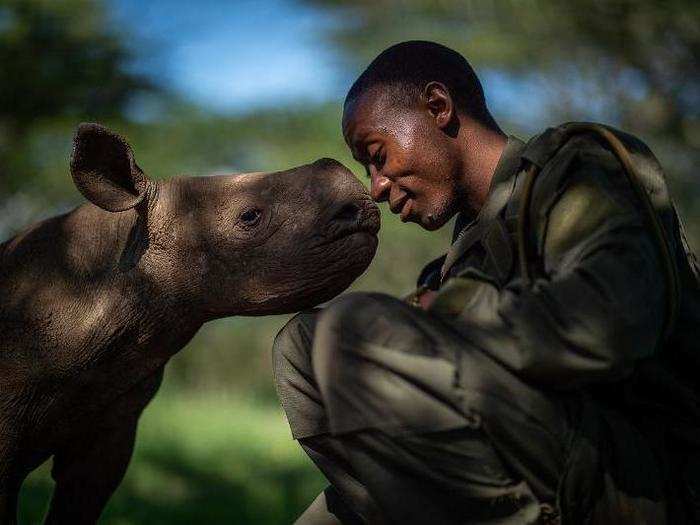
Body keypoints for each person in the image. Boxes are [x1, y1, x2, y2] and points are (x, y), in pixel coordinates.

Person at [272, 41, 700, 524]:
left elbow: (612, 323)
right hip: (535, 466)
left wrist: (452, 312)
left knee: (352, 330)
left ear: (438, 107)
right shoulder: (454, 263)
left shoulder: (577, 167)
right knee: (300, 345)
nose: (376, 187)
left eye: (378, 156)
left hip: (642, 482)